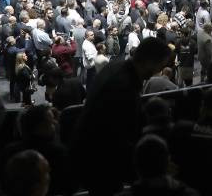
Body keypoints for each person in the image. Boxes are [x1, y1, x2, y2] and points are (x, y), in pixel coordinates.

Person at [74, 36, 172, 196]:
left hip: (90, 154)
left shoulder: (117, 68)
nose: (158, 71)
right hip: (101, 161)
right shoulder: (124, 85)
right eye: (159, 66)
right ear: (149, 61)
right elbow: (119, 136)